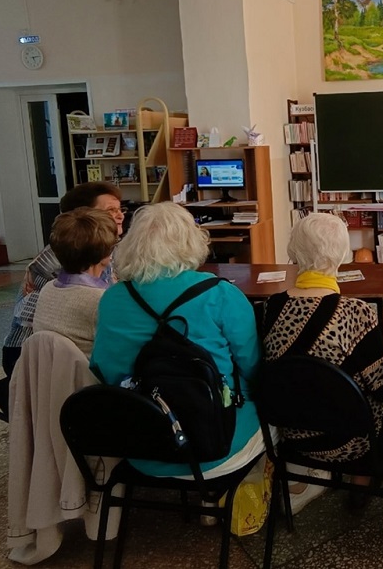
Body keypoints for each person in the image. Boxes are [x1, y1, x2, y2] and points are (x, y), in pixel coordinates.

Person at [90, 201, 262, 478]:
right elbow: (252, 367)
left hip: (142, 446)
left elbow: (103, 367)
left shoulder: (112, 299)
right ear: (192, 242)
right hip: (217, 446)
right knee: (274, 420)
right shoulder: (221, 294)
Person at [261, 212, 383, 508]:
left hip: (290, 434)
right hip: (349, 440)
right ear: (344, 254)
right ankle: (361, 481)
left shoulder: (270, 306)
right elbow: (381, 386)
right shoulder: (357, 313)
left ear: (293, 252)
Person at [1, 182, 124, 374]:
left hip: (60, 356)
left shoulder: (95, 249)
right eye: (110, 211)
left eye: (119, 209)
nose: (120, 215)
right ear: (85, 217)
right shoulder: (64, 257)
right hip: (31, 358)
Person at [30, 207, 119, 357]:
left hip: (51, 370)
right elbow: (122, 352)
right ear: (106, 254)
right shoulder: (102, 300)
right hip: (89, 371)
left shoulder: (47, 289)